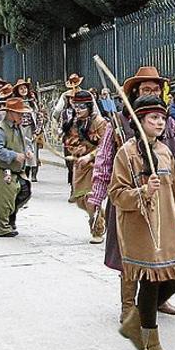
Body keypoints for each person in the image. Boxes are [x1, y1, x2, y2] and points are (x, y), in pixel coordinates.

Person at [88, 66, 175, 322]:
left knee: (165, 252)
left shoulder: (166, 121)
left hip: (164, 198)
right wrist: (96, 197)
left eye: (155, 89)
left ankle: (158, 299)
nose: (151, 93)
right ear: (135, 92)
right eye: (146, 89)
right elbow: (104, 161)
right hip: (129, 197)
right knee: (129, 254)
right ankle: (129, 308)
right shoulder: (118, 122)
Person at [112, 95, 175, 350]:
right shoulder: (126, 154)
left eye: (162, 118)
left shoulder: (165, 152)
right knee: (150, 284)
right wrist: (142, 192)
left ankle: (134, 322)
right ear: (139, 121)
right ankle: (151, 345)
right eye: (153, 118)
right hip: (140, 229)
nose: (159, 122)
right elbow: (116, 194)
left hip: (167, 228)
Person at [64, 90, 108, 243]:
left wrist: (90, 155)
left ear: (89, 106)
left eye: (82, 106)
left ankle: (97, 230)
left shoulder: (100, 122)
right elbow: (70, 141)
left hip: (95, 164)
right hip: (80, 165)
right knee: (79, 200)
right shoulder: (75, 122)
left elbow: (105, 146)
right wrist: (76, 151)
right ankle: (100, 214)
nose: (78, 109)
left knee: (91, 198)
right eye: (76, 106)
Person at [0, 97, 33, 237]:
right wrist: (14, 155)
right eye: (19, 113)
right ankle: (3, 227)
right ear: (11, 113)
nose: (22, 116)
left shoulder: (16, 127)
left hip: (16, 169)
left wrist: (27, 151)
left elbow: (23, 142)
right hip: (3, 169)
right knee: (3, 199)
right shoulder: (0, 130)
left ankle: (10, 219)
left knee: (24, 191)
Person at [14, 79, 42, 182]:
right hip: (19, 129)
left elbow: (39, 117)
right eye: (21, 88)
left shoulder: (32, 102)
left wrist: (37, 132)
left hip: (30, 129)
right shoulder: (15, 102)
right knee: (20, 151)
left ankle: (32, 173)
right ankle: (22, 173)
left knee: (32, 152)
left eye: (25, 88)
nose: (23, 90)